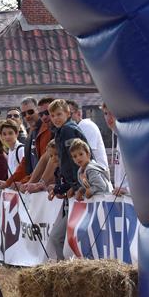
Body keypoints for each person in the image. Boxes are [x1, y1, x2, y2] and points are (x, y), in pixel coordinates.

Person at [47, 99, 88, 260]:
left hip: (81, 187)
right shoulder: (61, 130)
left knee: (59, 237)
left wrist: (78, 186)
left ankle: (62, 268)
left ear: (68, 113)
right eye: (52, 115)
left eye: (59, 114)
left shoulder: (67, 130)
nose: (55, 118)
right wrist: (61, 188)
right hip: (74, 185)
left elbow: (74, 161)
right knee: (60, 237)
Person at [102, 103, 130, 196]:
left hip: (132, 199)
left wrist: (128, 190)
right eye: (106, 113)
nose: (108, 117)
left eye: (112, 113)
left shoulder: (129, 137)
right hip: (122, 198)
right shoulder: (119, 136)